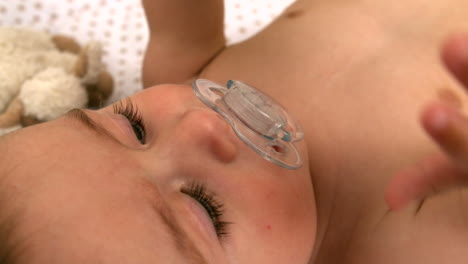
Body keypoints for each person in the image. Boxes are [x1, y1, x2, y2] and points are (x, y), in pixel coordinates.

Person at [2, 0, 468, 263]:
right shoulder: (393, 243)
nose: (200, 123)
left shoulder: (188, 69)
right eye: (205, 207)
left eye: (132, 125)